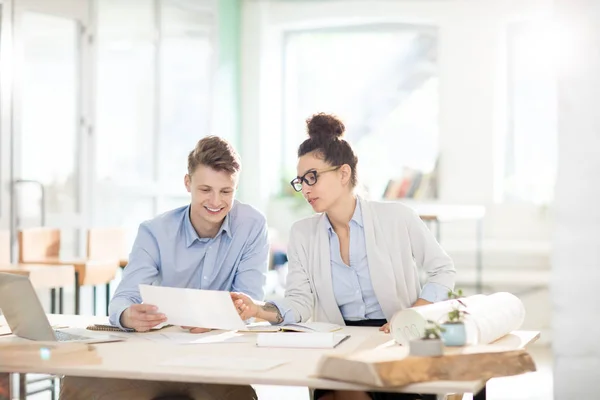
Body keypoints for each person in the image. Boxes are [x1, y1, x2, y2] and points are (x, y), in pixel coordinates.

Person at [232, 113, 455, 400]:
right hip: (337, 344)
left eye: (312, 177)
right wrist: (258, 309)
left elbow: (443, 270)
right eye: (301, 181)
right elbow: (300, 302)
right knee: (338, 390)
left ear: (343, 173)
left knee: (350, 393)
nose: (306, 189)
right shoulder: (303, 233)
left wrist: (412, 314)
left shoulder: (397, 217)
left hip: (393, 342)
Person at [61, 136, 268, 400]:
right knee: (78, 383)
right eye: (205, 189)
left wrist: (217, 318)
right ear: (187, 183)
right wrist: (128, 315)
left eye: (226, 191)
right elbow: (123, 299)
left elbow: (249, 301)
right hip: (156, 358)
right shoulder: (155, 231)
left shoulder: (252, 225)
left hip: (218, 360)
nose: (216, 201)